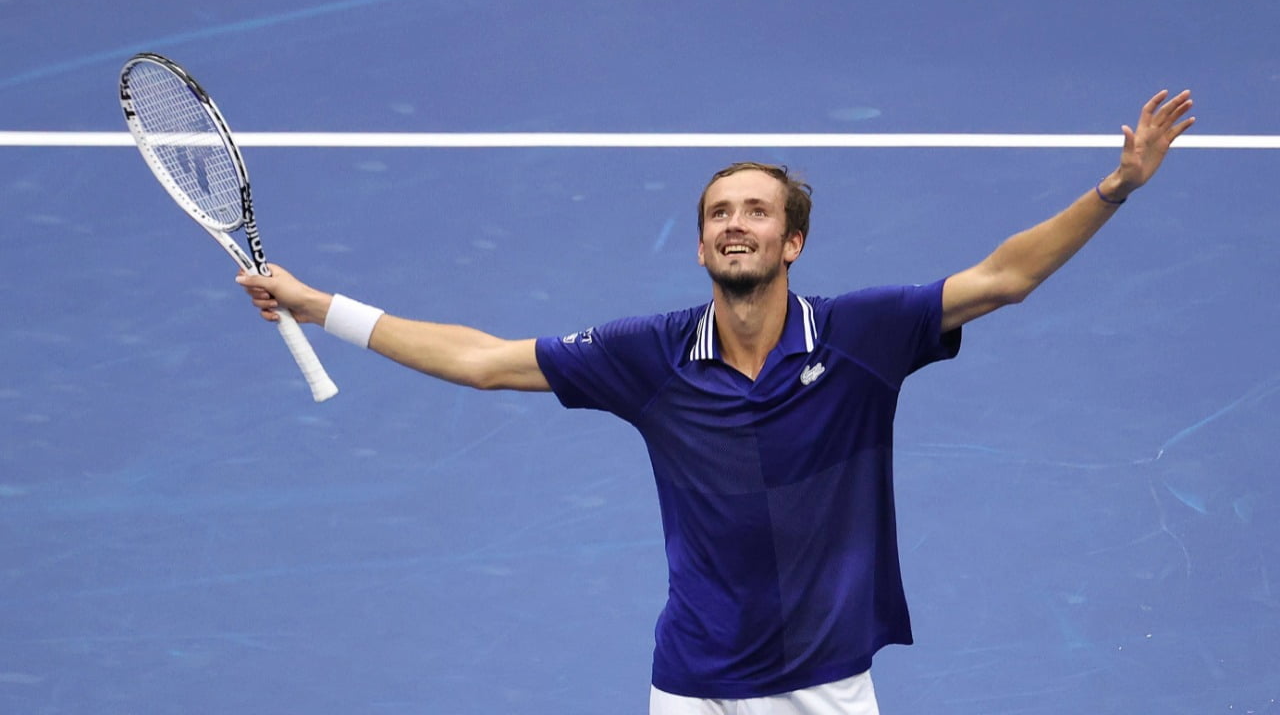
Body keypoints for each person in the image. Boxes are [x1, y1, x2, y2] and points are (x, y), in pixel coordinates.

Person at [237, 90, 1195, 714]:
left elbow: (1001, 280)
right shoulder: (647, 357)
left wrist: (1115, 186)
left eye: (757, 211)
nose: (736, 223)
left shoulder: (861, 337)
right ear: (702, 248)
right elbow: (484, 361)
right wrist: (321, 306)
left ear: (792, 245)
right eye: (719, 214)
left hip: (826, 685)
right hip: (694, 684)